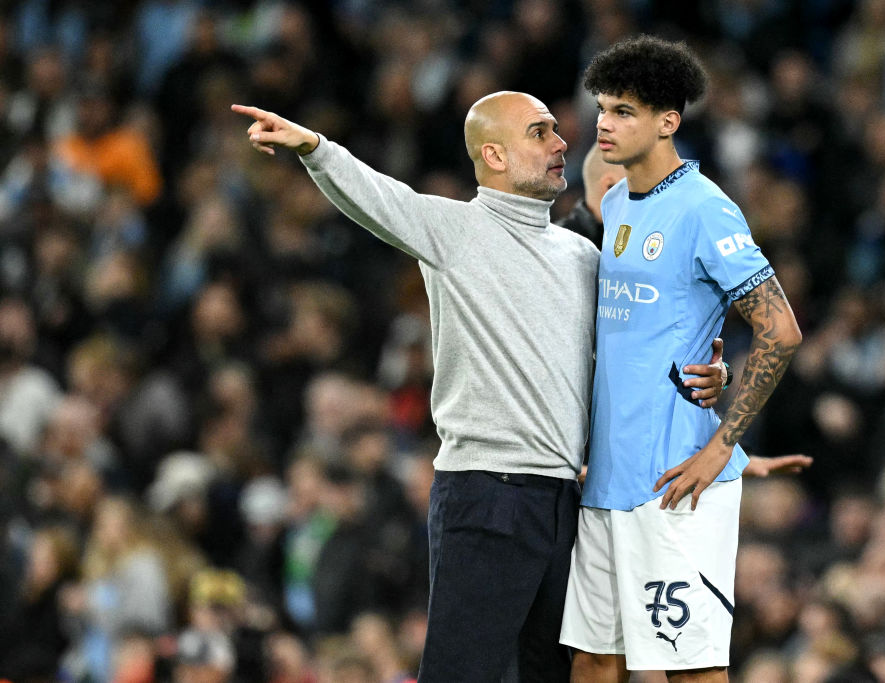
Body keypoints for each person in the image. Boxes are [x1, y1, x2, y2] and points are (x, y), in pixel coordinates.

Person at [232, 93, 728, 682]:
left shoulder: (581, 256)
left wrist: (700, 372)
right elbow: (372, 194)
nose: (561, 142)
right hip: (485, 492)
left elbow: (629, 356)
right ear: (493, 153)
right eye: (540, 133)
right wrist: (314, 148)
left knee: (547, 675)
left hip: (564, 500)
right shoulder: (454, 230)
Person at [560, 36, 804, 683]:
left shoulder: (704, 207)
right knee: (593, 660)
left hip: (675, 480)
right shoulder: (614, 205)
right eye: (603, 110)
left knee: (689, 671)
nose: (604, 125)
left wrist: (723, 444)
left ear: (669, 120)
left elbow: (781, 328)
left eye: (624, 112)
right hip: (606, 479)